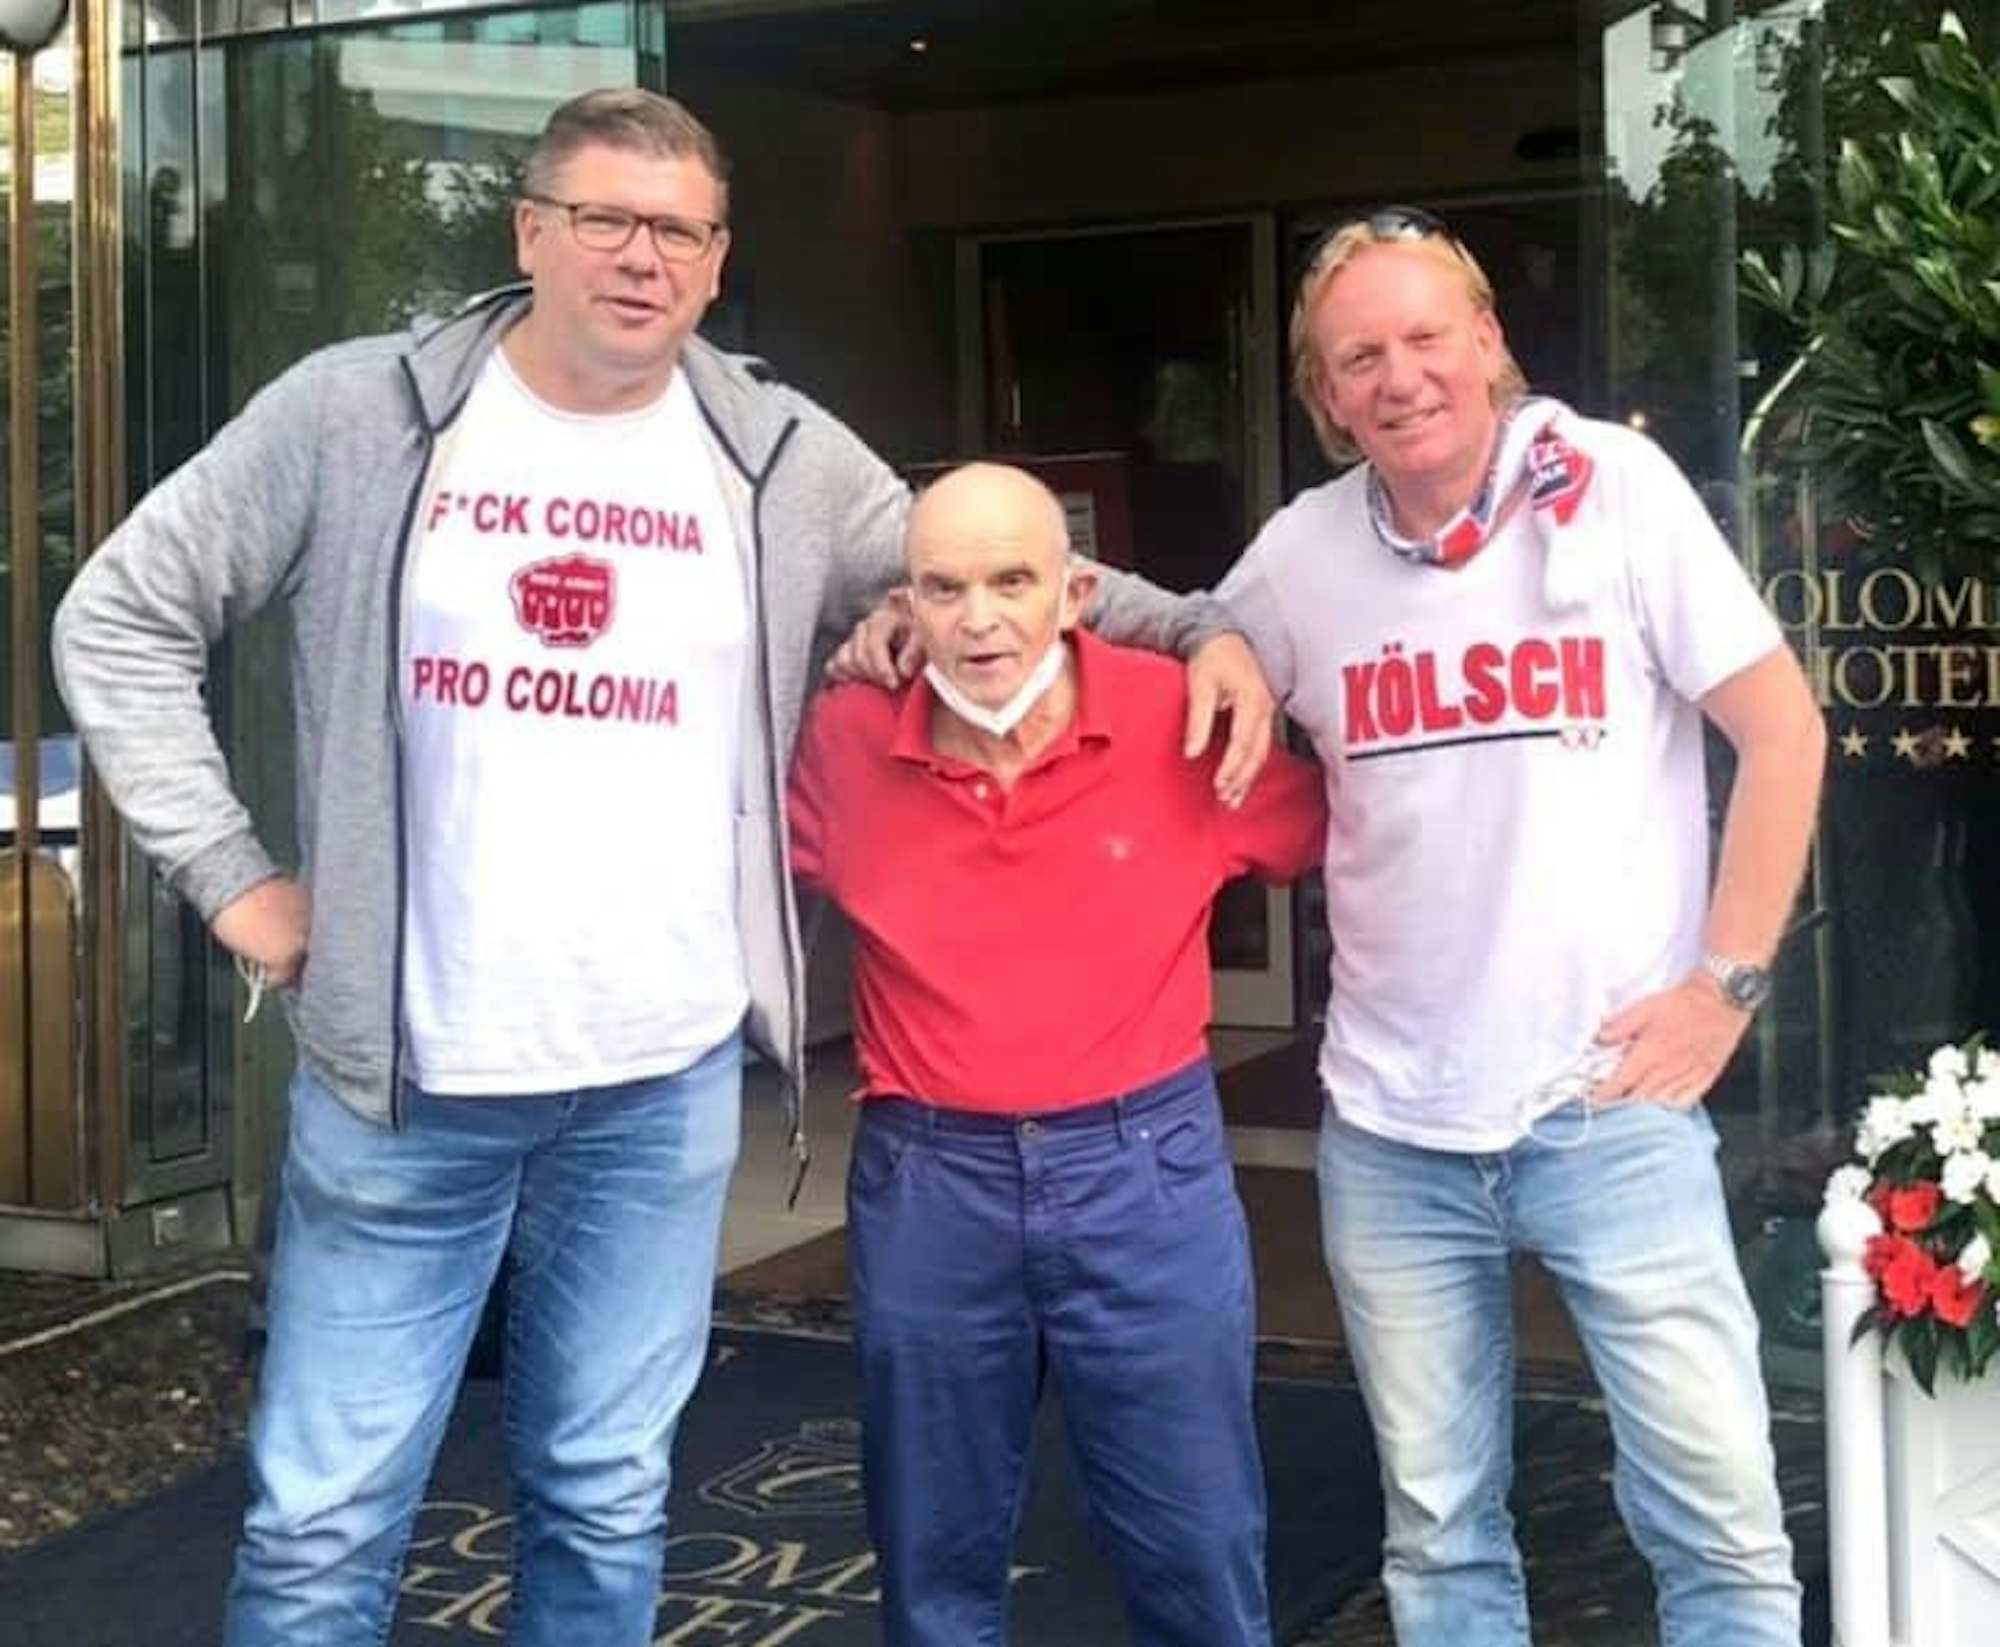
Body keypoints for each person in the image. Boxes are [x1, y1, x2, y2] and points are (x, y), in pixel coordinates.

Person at [50, 90, 1276, 1647]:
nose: (643, 258)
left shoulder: (773, 449)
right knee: (323, 1520)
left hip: (658, 1085)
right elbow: (118, 615)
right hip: (408, 1079)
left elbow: (993, 569)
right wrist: (234, 876)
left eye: (679, 232)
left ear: (716, 258)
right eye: (607, 220)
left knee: (606, 1493)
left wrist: (1202, 628)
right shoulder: (359, 413)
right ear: (531, 232)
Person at [1215, 207, 1826, 1646]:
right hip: (1392, 1127)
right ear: (1324, 398)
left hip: (1609, 1104)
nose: (1399, 376)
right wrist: (1204, 642)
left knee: (1720, 1521)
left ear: (1488, 341)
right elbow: (1191, 644)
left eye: (1426, 336)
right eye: (1358, 357)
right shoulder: (1300, 555)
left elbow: (1782, 731)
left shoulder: (1613, 490)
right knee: (1438, 1539)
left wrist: (1725, 985)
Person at [787, 461, 1326, 1647]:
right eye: (943, 589)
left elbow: (1366, 836)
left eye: (1011, 582)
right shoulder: (844, 735)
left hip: (1141, 1171)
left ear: (1075, 594)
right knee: (931, 1554)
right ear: (902, 607)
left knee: (1194, 1540)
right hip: (930, 1180)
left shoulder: (1176, 714)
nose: (978, 619)